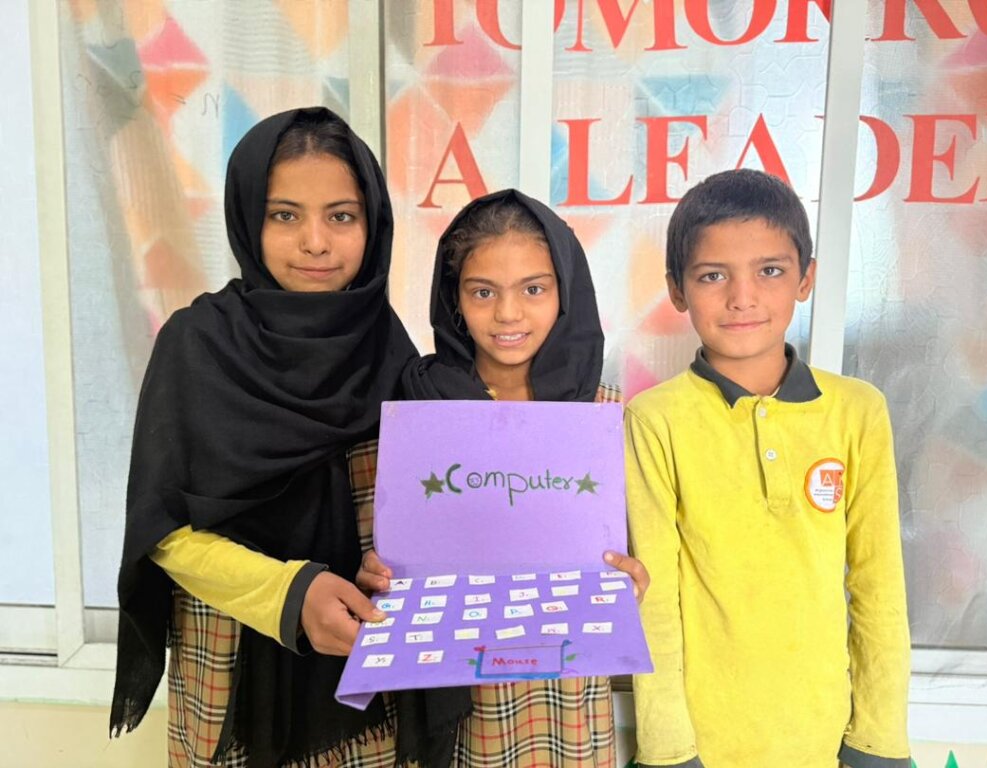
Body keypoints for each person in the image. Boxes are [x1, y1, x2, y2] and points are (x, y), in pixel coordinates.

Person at [110, 107, 420, 768]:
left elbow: (419, 517)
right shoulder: (198, 346)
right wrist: (290, 593)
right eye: (284, 215)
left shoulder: (392, 352)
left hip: (369, 680)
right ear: (249, 219)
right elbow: (162, 532)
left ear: (373, 223)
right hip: (231, 682)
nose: (315, 242)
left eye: (342, 216)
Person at [625, 169, 911, 768]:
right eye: (712, 276)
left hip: (827, 741)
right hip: (703, 745)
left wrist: (878, 740)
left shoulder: (857, 411)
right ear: (677, 289)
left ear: (806, 278)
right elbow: (655, 602)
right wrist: (668, 748)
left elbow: (878, 584)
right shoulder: (653, 420)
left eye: (770, 271)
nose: (742, 297)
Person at [358, 189, 649, 767]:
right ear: (454, 299)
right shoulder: (417, 406)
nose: (508, 314)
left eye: (533, 289)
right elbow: (383, 543)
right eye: (483, 291)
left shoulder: (604, 414)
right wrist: (376, 568)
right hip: (456, 697)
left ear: (566, 293)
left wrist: (635, 578)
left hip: (564, 701)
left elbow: (629, 554)